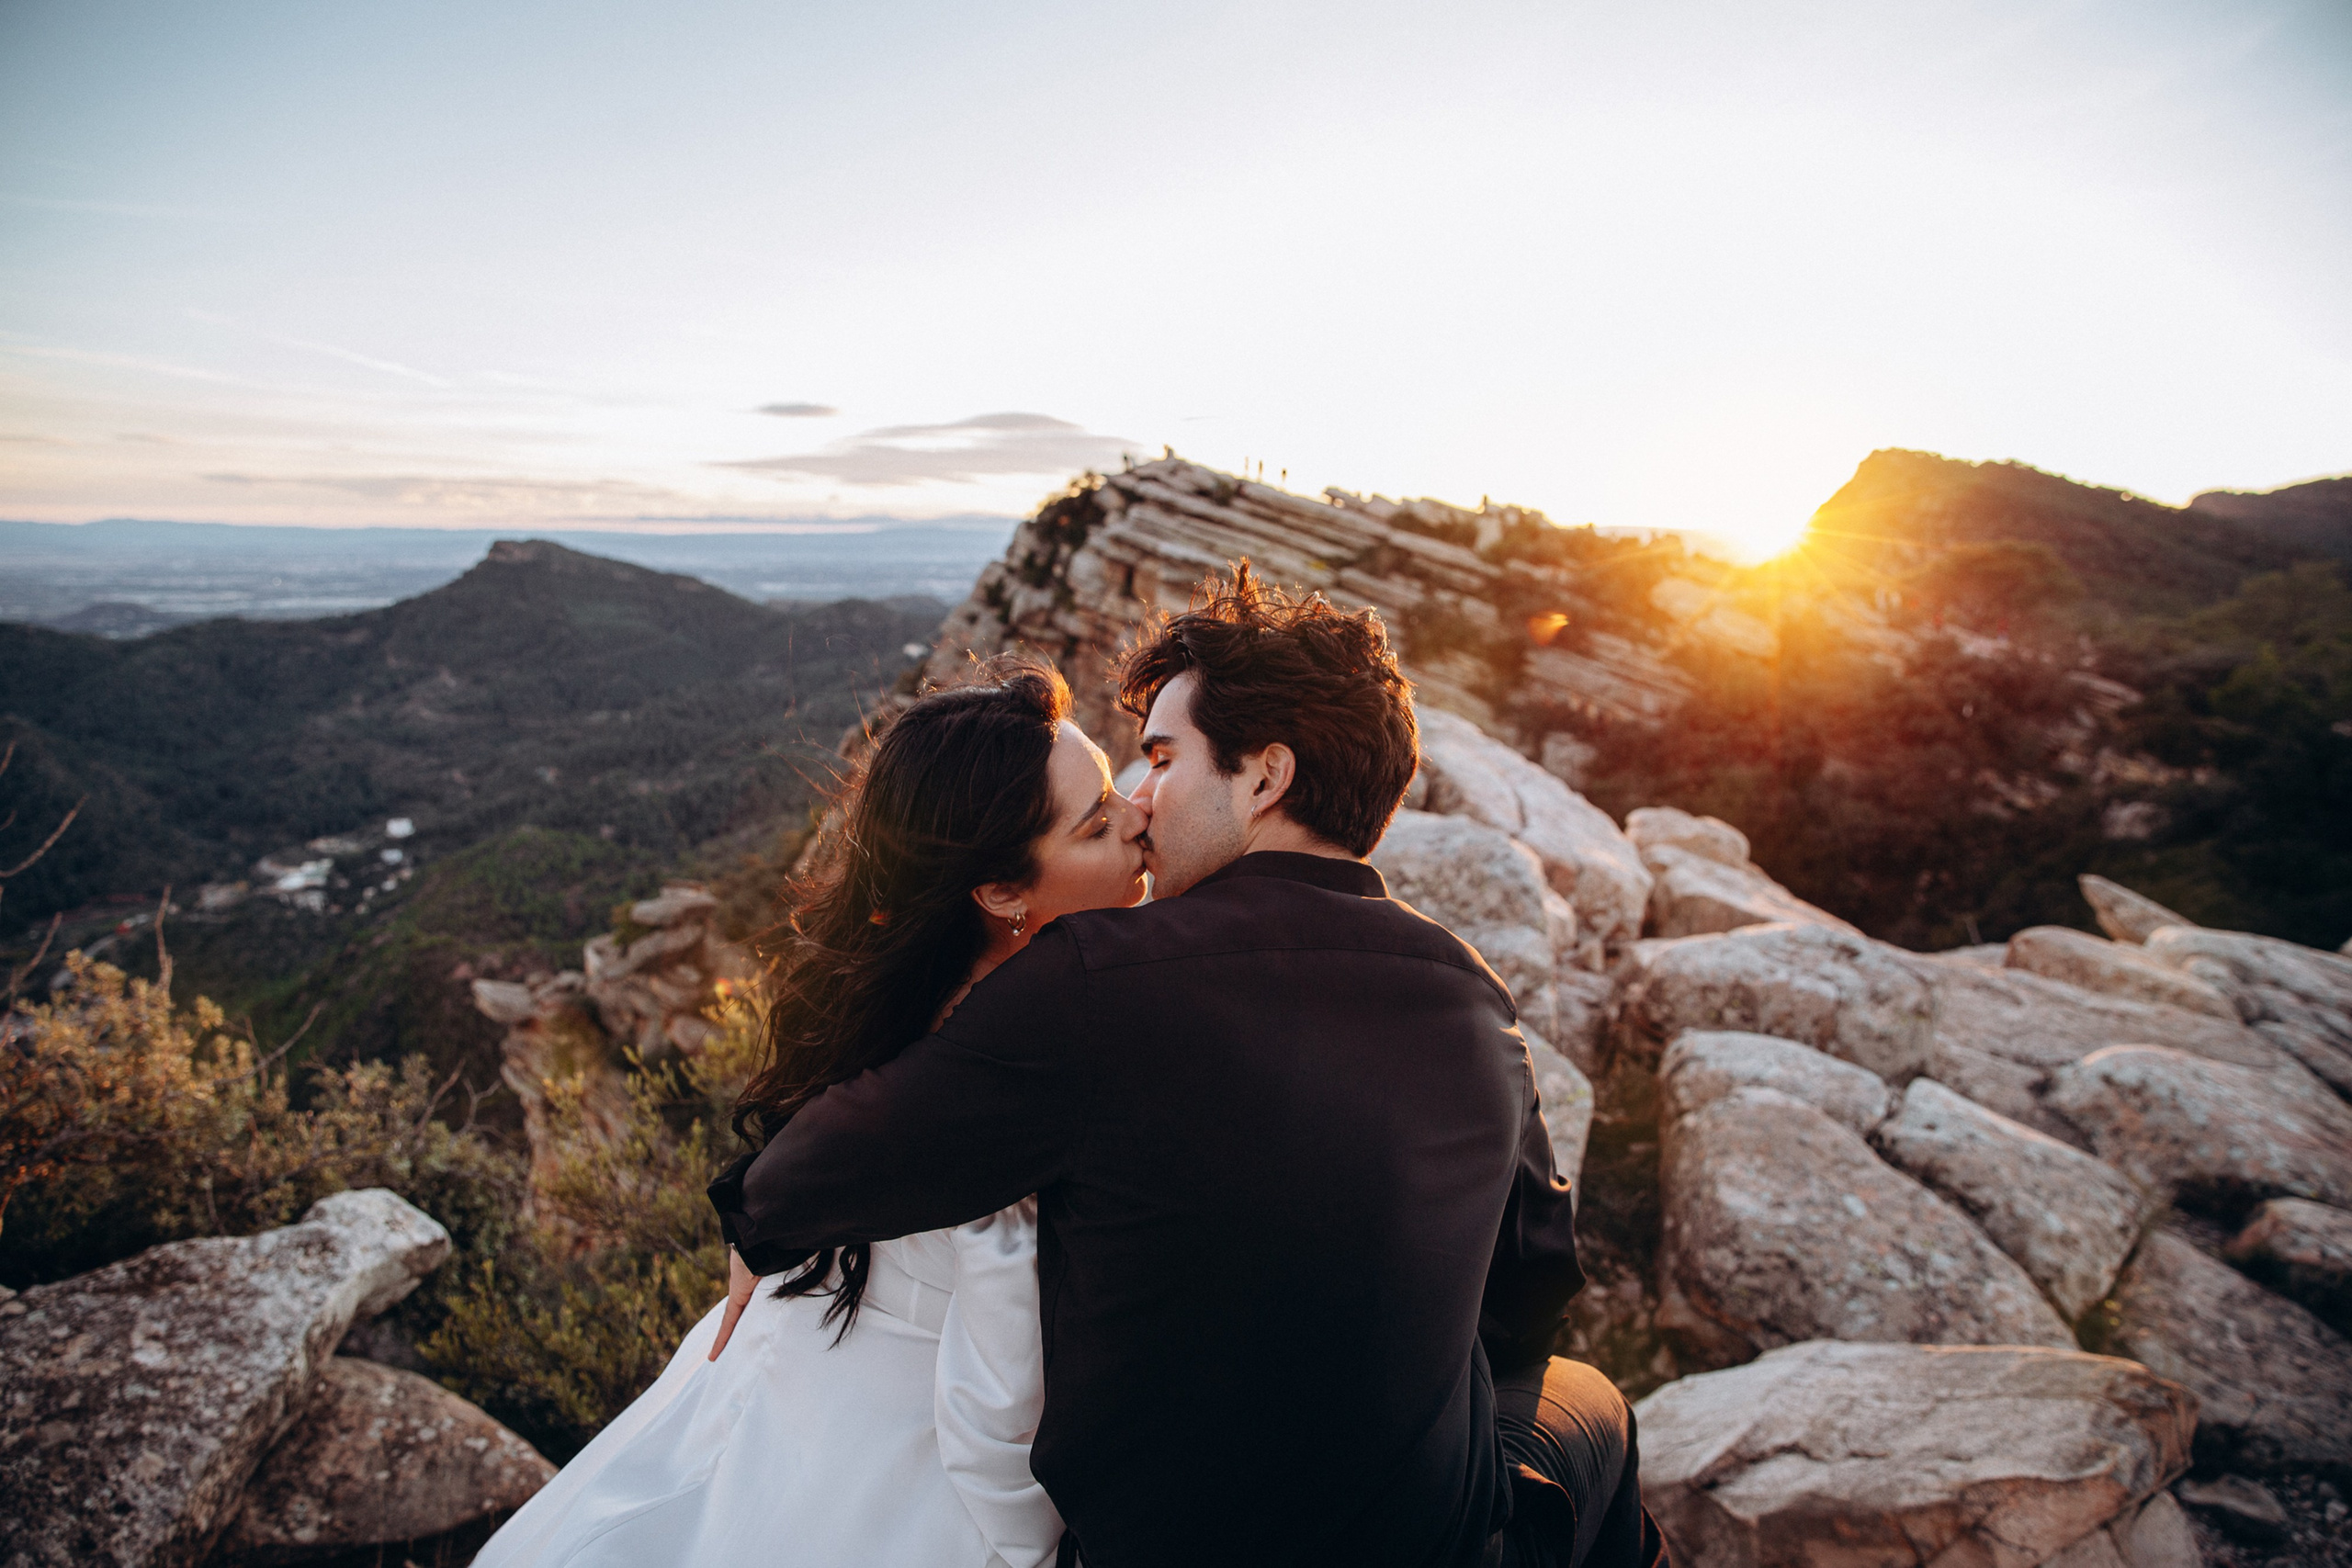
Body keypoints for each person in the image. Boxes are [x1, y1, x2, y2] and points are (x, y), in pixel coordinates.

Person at [712, 565, 1665, 1568]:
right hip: (1432, 1545)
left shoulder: (1095, 978)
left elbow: (853, 1147)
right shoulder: (1474, 998)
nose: (1139, 795)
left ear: (1264, 777)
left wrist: (755, 1212)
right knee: (1587, 1403)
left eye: (1162, 758)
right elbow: (1533, 1286)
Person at [473, 662, 1151, 1568]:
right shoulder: (1001, 1080)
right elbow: (1001, 1395)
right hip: (905, 1466)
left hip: (783, 1383)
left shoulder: (903, 1014)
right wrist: (1039, 1546)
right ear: (998, 891)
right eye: (1099, 821)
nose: (1140, 817)